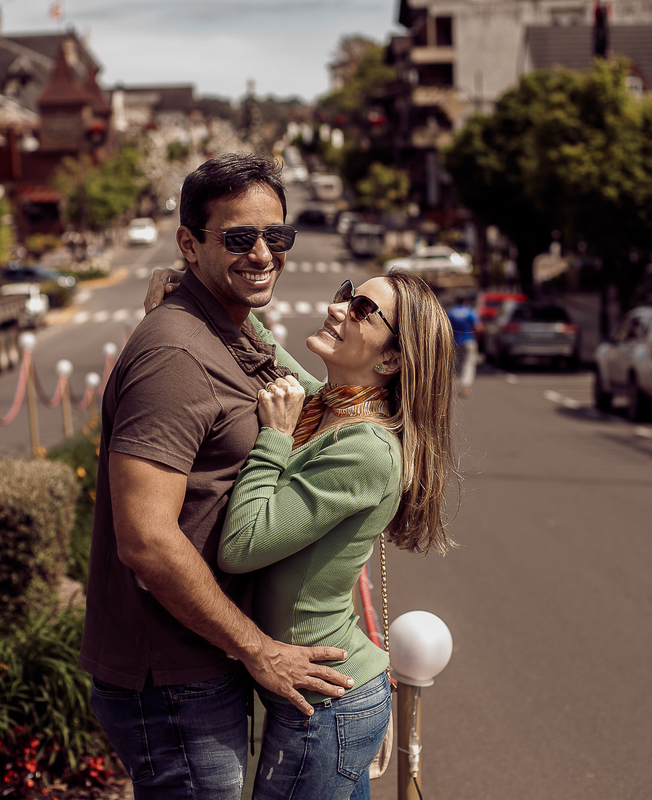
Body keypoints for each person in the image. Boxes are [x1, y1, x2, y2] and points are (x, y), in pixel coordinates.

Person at [80, 153, 354, 799]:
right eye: (238, 238)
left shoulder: (223, 328)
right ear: (189, 242)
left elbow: (317, 401)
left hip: (200, 662)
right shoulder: (177, 354)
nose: (263, 254)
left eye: (276, 237)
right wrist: (257, 648)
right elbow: (145, 540)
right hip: (175, 679)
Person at [218, 272, 457, 800]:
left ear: (392, 360)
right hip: (322, 697)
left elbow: (241, 546)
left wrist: (275, 438)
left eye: (362, 309)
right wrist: (193, 288)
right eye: (347, 293)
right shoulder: (330, 403)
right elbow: (266, 348)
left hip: (327, 705)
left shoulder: (366, 449)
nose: (336, 307)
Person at [447, 293, 477, 396]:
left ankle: (455, 384)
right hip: (468, 341)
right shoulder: (469, 311)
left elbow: (446, 326)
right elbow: (478, 326)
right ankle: (464, 385)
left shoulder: (451, 312)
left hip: (455, 342)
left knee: (457, 364)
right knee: (468, 363)